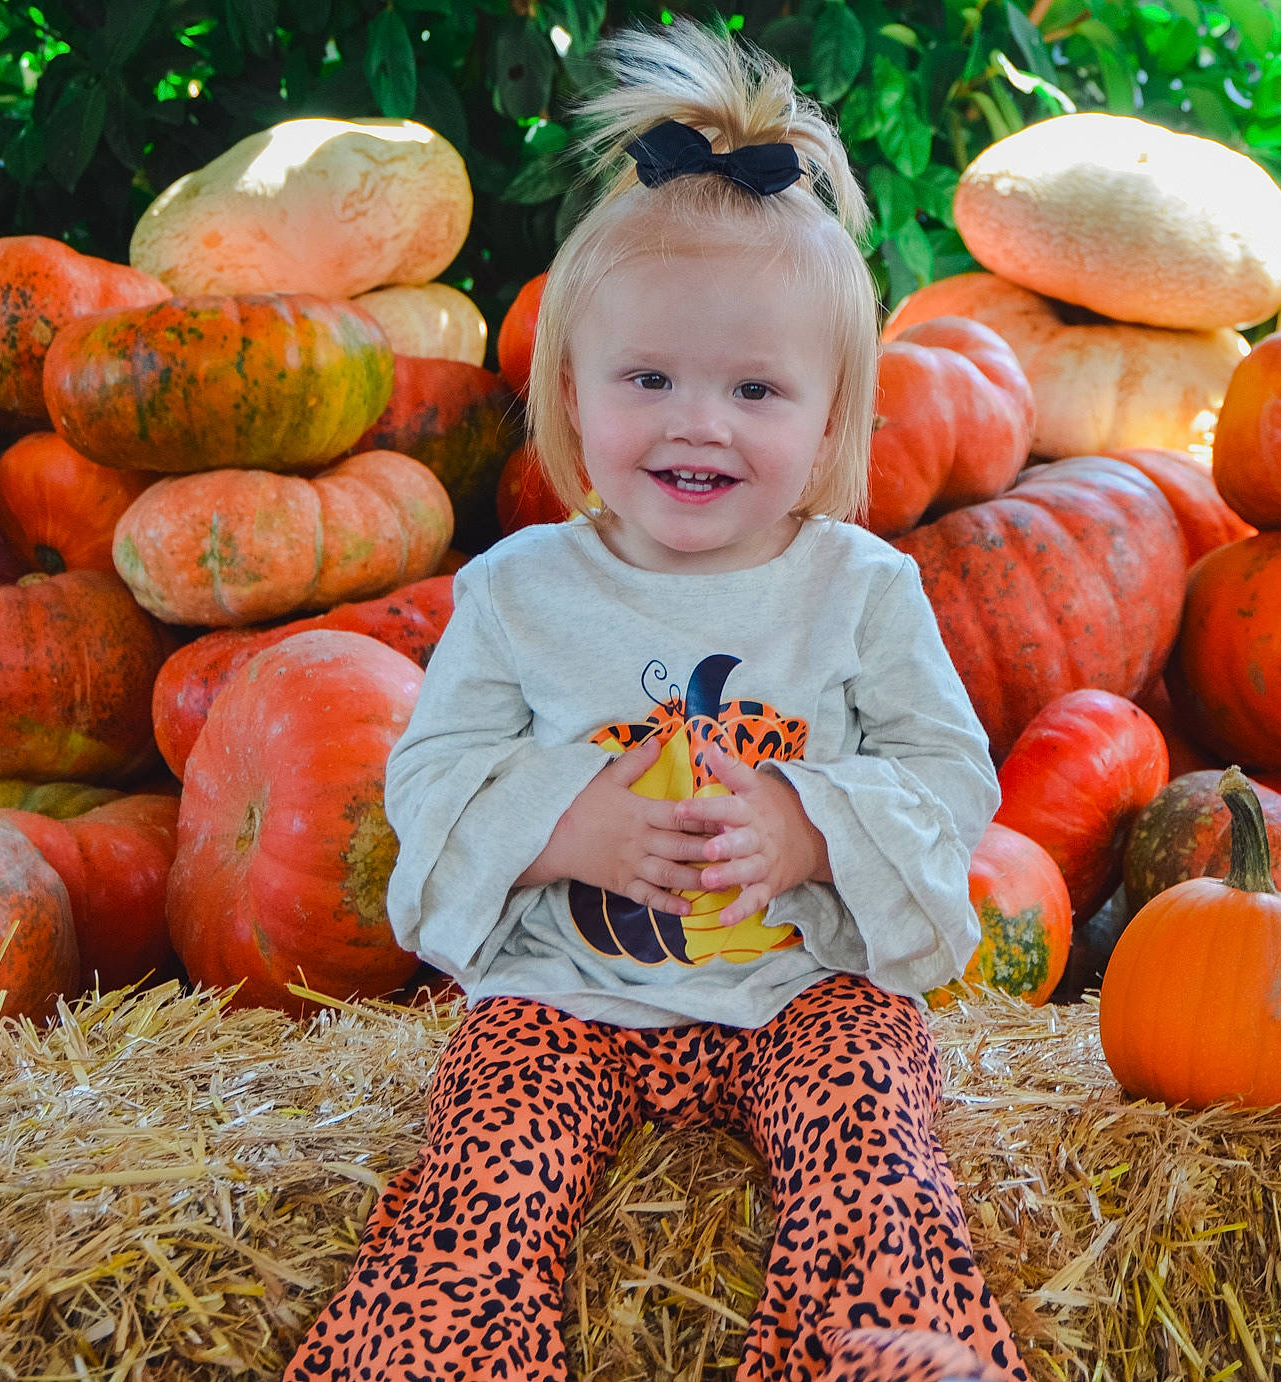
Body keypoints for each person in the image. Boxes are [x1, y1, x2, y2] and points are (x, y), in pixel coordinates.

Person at [282, 20, 1025, 1382]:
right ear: (572, 394)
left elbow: (947, 771)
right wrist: (567, 827)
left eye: (754, 389)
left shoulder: (859, 589)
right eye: (649, 380)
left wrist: (808, 827)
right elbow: (431, 771)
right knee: (484, 1166)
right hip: (570, 991)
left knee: (875, 1133)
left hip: (803, 985)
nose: (699, 422)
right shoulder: (518, 591)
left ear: (830, 417)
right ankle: (441, 1353)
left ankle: (879, 1347)